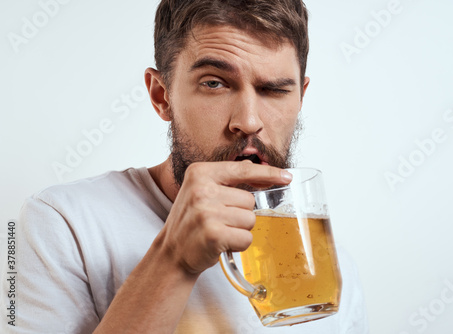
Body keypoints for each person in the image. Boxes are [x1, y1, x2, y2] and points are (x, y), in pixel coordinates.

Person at [1, 0, 369, 333]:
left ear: (301, 98)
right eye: (215, 83)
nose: (249, 121)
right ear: (161, 96)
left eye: (274, 90)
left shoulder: (328, 269)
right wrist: (174, 259)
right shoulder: (61, 223)